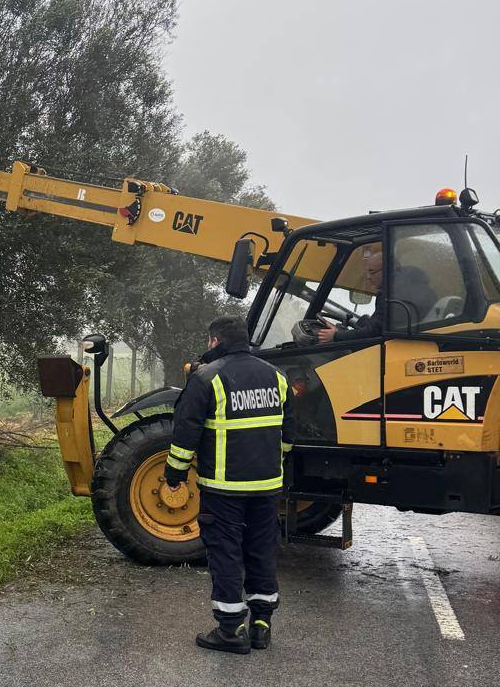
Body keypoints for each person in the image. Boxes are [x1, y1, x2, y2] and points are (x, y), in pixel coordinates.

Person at [163, 315, 296, 654]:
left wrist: (174, 476)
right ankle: (261, 625)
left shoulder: (207, 378)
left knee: (226, 553)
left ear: (215, 341)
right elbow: (288, 436)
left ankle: (230, 630)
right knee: (262, 550)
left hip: (224, 489)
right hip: (267, 487)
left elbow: (185, 435)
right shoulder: (277, 377)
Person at [315, 242, 436, 342]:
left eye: (372, 272)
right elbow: (379, 325)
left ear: (387, 269)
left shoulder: (393, 293)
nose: (368, 277)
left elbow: (374, 332)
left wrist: (336, 336)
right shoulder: (415, 286)